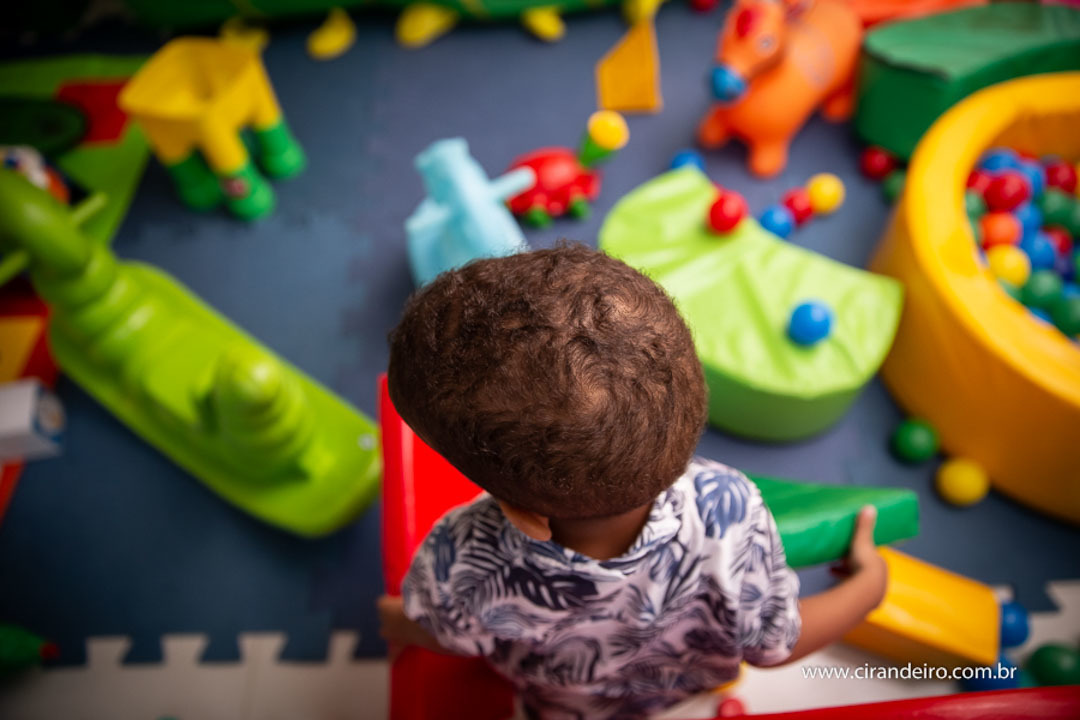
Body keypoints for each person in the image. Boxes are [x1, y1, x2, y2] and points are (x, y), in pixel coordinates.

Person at [378, 245, 887, 719]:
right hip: (682, 691)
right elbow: (775, 646)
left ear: (522, 515)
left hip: (562, 705)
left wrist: (396, 621)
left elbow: (445, 634)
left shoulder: (464, 554)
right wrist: (869, 586)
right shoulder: (730, 508)